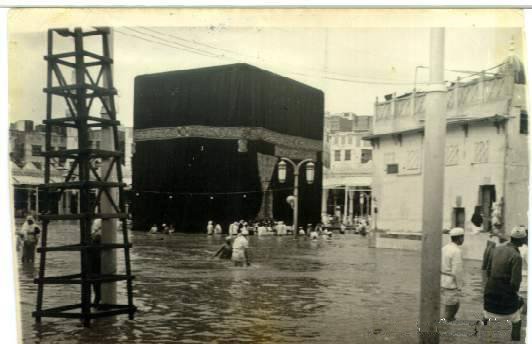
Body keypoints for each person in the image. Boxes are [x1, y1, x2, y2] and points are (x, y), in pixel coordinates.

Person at [483, 226, 527, 342]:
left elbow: (487, 271)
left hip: (489, 295)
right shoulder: (516, 256)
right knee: (517, 320)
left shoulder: (496, 249)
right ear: (522, 240)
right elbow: (515, 284)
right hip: (504, 299)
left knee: (486, 316)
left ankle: (483, 337)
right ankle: (515, 340)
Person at [440, 227, 465, 322]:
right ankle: (442, 327)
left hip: (442, 281)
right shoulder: (456, 251)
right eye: (462, 237)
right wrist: (460, 286)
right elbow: (457, 272)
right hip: (451, 284)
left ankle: (448, 321)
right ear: (459, 238)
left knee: (453, 305)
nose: (463, 239)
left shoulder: (444, 248)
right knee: (450, 309)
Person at [89, 220, 102, 308]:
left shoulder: (94, 238)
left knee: (96, 283)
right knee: (96, 283)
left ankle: (97, 300)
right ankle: (97, 300)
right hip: (95, 263)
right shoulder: (94, 240)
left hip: (96, 262)